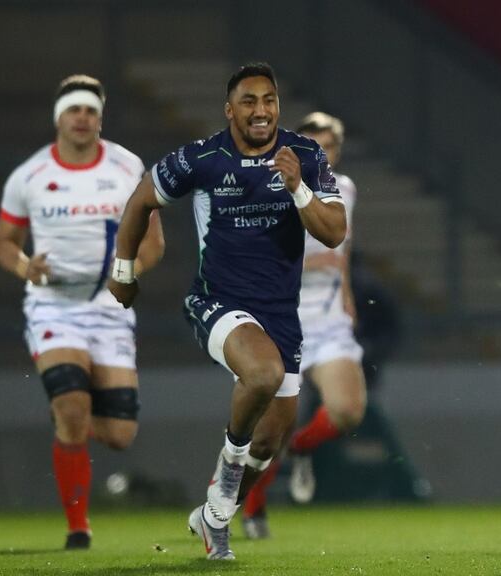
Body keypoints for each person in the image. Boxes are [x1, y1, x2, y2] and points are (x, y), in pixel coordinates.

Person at [108, 63, 347, 560]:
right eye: (249, 101)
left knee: (271, 440)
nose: (260, 111)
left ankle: (214, 514)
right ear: (229, 109)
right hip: (217, 300)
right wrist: (124, 272)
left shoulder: (304, 154)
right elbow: (138, 203)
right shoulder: (203, 157)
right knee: (262, 374)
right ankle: (230, 466)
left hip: (281, 312)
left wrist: (298, 187)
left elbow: (334, 232)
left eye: (268, 100)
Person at [0, 75, 164, 550]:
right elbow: (4, 244)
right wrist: (28, 267)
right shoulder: (29, 176)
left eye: (90, 110)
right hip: (54, 308)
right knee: (72, 410)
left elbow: (154, 242)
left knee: (120, 434)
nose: (82, 118)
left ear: (100, 117)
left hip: (109, 308)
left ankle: (70, 417)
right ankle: (78, 528)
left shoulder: (128, 167)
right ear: (59, 118)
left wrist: (129, 272)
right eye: (74, 110)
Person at [241, 112, 367, 539]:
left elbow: (343, 248)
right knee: (266, 431)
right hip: (282, 319)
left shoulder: (344, 189)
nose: (322, 154)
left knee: (347, 411)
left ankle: (301, 448)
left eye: (328, 146)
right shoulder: (270, 190)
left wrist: (347, 292)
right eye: (312, 146)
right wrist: (309, 261)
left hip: (328, 319)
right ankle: (250, 507)